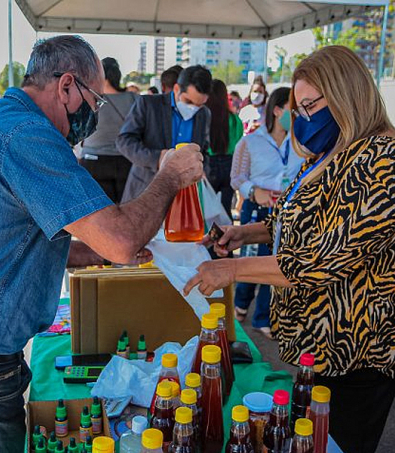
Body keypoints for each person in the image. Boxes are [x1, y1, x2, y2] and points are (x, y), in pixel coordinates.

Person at [0, 35, 203, 452]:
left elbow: (18, 241)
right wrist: (169, 175)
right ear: (66, 87)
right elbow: (119, 241)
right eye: (94, 102)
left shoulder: (2, 122)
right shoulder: (27, 135)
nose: (93, 115)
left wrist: (102, 250)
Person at [184, 46, 395, 453]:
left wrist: (232, 271)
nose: (302, 118)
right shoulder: (332, 151)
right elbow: (292, 221)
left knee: (337, 441)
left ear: (347, 94)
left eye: (311, 105)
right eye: (298, 107)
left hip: (361, 344)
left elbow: (323, 258)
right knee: (310, 437)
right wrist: (245, 233)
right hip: (323, 342)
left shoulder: (389, 161)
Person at [229, 86, 304, 339]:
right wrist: (253, 192)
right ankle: (240, 304)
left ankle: (264, 317)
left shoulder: (302, 143)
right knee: (251, 261)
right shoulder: (250, 141)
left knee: (275, 265)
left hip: (289, 212)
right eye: (292, 110)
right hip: (257, 209)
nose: (296, 116)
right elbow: (237, 177)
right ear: (277, 110)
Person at [117, 65, 212, 202]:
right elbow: (124, 141)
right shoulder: (148, 105)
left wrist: (202, 169)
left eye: (199, 105)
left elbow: (205, 149)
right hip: (145, 189)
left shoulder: (204, 114)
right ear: (176, 89)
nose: (193, 109)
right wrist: (157, 158)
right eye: (188, 101)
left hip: (185, 196)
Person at [79, 57, 136, 203]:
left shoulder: (88, 98)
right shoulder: (134, 99)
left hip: (93, 161)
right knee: (126, 209)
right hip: (127, 161)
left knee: (100, 211)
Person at [205, 79, 243, 218]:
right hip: (230, 165)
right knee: (226, 210)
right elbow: (239, 142)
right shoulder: (234, 119)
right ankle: (226, 237)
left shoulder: (204, 118)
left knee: (206, 209)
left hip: (209, 165)